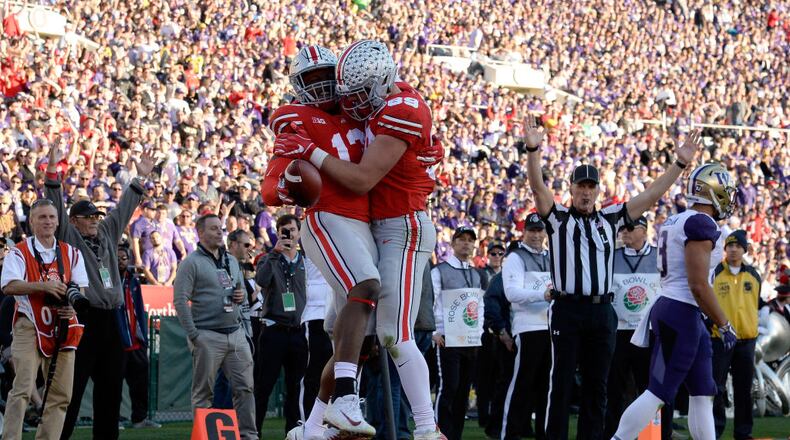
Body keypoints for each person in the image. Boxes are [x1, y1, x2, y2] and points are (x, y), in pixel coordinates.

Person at [275, 39, 445, 439]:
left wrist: (311, 152)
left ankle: (426, 428)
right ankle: (315, 425)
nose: (349, 104)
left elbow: (364, 178)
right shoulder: (378, 104)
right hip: (376, 226)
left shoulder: (402, 108)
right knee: (354, 338)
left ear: (381, 82)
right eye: (346, 93)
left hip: (402, 226)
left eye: (358, 94)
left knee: (394, 333)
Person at [524, 116, 703, 439]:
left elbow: (650, 196)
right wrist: (533, 149)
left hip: (602, 312)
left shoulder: (610, 218)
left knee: (598, 386)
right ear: (572, 188)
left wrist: (679, 164)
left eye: (591, 187)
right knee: (560, 384)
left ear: (597, 191)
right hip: (567, 308)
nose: (586, 192)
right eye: (581, 186)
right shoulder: (558, 218)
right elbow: (538, 187)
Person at [263, 45, 380, 440]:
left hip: (363, 223)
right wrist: (290, 185)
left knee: (355, 338)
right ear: (298, 85)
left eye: (325, 76)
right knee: (365, 286)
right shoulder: (295, 118)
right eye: (310, 81)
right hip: (328, 216)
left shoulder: (358, 109)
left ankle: (313, 427)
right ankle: (346, 397)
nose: (321, 86)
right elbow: (269, 188)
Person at [612, 163, 738, 440]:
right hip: (681, 311)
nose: (729, 198)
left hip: (678, 309)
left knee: (704, 390)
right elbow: (698, 285)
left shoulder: (676, 219)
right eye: (725, 192)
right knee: (658, 392)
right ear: (713, 192)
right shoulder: (700, 223)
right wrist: (724, 323)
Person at [45, 146, 155, 440]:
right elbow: (54, 204)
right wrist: (52, 175)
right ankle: (59, 437)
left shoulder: (107, 232)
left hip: (112, 320)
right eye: (89, 216)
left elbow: (124, 209)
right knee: (73, 387)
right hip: (83, 319)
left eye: (96, 215)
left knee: (111, 388)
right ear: (75, 220)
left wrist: (140, 179)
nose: (95, 219)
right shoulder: (68, 236)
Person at [0, 199, 88, 440]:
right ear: (32, 222)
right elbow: (9, 286)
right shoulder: (19, 251)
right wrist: (44, 287)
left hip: (63, 325)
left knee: (61, 395)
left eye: (51, 217)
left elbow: (81, 289)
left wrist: (72, 308)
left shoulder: (71, 252)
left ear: (58, 221)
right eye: (42, 217)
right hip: (29, 323)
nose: (48, 221)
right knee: (23, 389)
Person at [173, 214, 257, 440]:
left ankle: (249, 436)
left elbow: (241, 294)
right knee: (203, 394)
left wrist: (239, 298)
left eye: (220, 228)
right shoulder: (191, 263)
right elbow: (180, 301)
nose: (220, 232)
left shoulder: (231, 260)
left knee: (245, 389)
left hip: (235, 333)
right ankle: (205, 437)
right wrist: (194, 335)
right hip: (208, 335)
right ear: (200, 233)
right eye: (213, 229)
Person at [604, 216, 666, 439]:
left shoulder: (661, 256)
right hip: (619, 332)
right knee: (614, 390)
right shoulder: (612, 257)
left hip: (650, 333)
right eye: (622, 229)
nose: (624, 232)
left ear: (644, 230)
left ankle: (655, 435)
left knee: (651, 388)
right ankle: (613, 434)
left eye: (630, 228)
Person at [431, 226, 488, 440]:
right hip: (447, 339)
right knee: (449, 388)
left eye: (470, 240)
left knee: (463, 391)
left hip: (470, 340)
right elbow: (431, 302)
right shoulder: (439, 271)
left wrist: (479, 332)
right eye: (461, 239)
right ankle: (440, 434)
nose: (466, 243)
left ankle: (455, 435)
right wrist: (435, 332)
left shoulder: (476, 274)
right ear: (453, 244)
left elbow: (479, 305)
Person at [254, 214, 308, 434]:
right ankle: (252, 432)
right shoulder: (270, 258)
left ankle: (292, 433)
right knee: (263, 386)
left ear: (299, 232)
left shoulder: (306, 260)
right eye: (284, 230)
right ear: (277, 232)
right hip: (274, 329)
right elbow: (261, 280)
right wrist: (275, 253)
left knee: (296, 388)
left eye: (292, 230)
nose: (289, 235)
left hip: (298, 331)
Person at [500, 213, 551, 440]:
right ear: (524, 232)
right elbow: (511, 293)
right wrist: (543, 294)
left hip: (552, 329)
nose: (536, 235)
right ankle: (509, 434)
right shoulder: (515, 257)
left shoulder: (553, 255)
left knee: (546, 389)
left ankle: (544, 434)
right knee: (522, 385)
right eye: (532, 230)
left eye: (540, 230)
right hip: (528, 328)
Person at [711, 229, 761, 439]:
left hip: (747, 341)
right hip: (720, 339)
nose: (733, 249)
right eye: (730, 245)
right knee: (716, 388)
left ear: (744, 249)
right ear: (725, 249)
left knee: (744, 389)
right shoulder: (716, 272)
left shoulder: (753, 275)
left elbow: (755, 305)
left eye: (737, 246)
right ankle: (714, 430)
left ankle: (743, 432)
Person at [116, 246, 161, 429]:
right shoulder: (106, 277)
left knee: (140, 384)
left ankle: (139, 419)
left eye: (124, 258)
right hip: (117, 342)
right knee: (112, 385)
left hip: (136, 342)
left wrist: (142, 336)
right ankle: (113, 420)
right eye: (117, 257)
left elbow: (139, 309)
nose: (121, 261)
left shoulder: (133, 281)